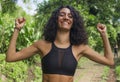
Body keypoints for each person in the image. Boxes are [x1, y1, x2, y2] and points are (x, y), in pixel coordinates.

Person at [6, 5, 114, 82]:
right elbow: (10, 57)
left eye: (70, 16)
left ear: (73, 22)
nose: (66, 17)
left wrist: (104, 35)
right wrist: (17, 29)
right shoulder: (42, 45)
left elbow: (109, 61)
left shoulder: (80, 48)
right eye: (62, 15)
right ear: (56, 19)